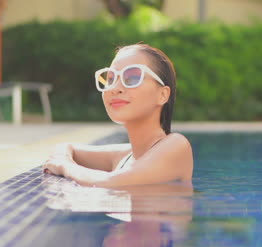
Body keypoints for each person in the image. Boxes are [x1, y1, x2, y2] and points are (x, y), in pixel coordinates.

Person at [42, 44, 193, 188]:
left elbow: (109, 183)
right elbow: (65, 147)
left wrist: (64, 166)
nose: (115, 88)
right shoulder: (125, 156)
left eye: (132, 78)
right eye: (111, 79)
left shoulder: (177, 146)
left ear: (162, 95)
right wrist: (64, 159)